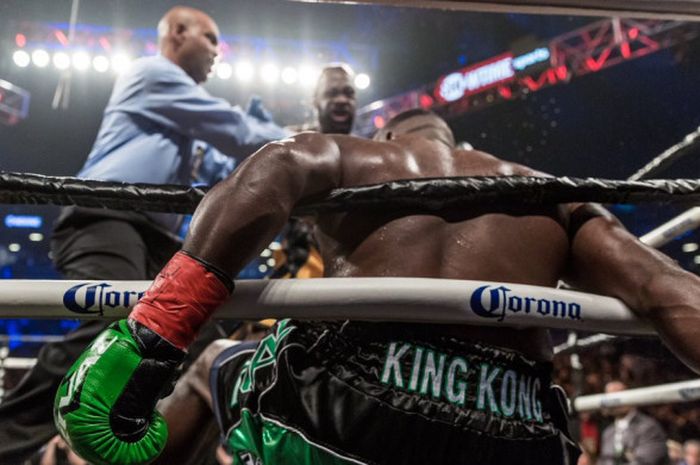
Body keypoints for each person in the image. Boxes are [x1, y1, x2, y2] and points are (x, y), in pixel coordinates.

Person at [55, 109, 700, 465]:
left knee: (220, 365)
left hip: (355, 408)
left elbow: (272, 168)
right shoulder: (548, 194)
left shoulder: (364, 158)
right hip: (514, 428)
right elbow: (663, 287)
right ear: (463, 145)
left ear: (390, 135)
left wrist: (158, 327)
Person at [0, 6, 288, 464]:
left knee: (204, 333)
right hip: (104, 215)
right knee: (107, 325)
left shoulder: (187, 126)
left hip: (158, 239)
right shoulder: (152, 75)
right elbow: (238, 133)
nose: (218, 51)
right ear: (177, 33)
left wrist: (273, 149)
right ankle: (6, 441)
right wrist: (295, 143)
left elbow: (230, 167)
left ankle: (161, 447)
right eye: (210, 39)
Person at [273, 63, 357, 279]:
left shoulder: (367, 151)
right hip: (301, 260)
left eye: (348, 93)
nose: (341, 100)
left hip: (353, 263)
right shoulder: (293, 142)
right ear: (315, 101)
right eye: (332, 93)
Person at [598, 381, 669, 465]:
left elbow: (645, 462)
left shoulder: (649, 427)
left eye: (618, 395)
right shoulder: (608, 432)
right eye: (610, 397)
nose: (615, 402)